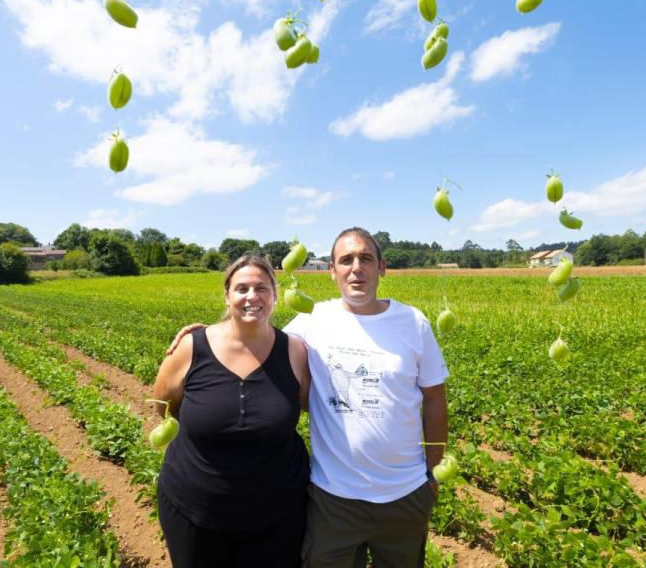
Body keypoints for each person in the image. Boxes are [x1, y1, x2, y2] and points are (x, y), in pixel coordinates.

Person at [167, 229, 449, 567]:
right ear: (332, 270)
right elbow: (255, 335)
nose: (356, 268)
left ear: (382, 267)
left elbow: (434, 397)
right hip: (333, 497)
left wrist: (432, 472)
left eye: (366, 259)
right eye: (346, 260)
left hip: (404, 494)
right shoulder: (312, 321)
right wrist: (201, 336)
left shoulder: (413, 323)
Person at [153, 254, 312, 568]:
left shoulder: (294, 351)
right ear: (227, 296)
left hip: (278, 515)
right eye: (242, 288)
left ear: (275, 295)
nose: (252, 296)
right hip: (195, 511)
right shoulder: (191, 347)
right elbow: (162, 406)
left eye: (261, 288)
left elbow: (310, 404)